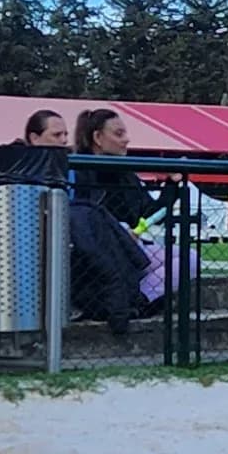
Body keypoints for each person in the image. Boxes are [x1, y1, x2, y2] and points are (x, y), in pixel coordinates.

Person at [68, 107, 152, 342]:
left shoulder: (126, 174)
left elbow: (149, 210)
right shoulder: (78, 173)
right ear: (97, 138)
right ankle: (127, 302)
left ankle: (132, 302)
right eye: (118, 134)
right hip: (99, 251)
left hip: (129, 245)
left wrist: (172, 187)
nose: (126, 140)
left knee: (184, 259)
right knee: (176, 261)